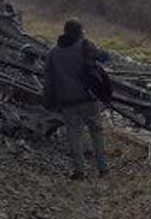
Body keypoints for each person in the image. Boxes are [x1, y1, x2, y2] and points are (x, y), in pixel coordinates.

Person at [41, 19, 110, 179]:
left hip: (67, 101)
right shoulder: (85, 46)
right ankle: (103, 168)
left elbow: (48, 81)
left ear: (64, 32)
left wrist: (48, 102)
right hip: (88, 98)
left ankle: (80, 170)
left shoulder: (53, 54)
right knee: (96, 131)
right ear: (79, 32)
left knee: (73, 135)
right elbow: (104, 57)